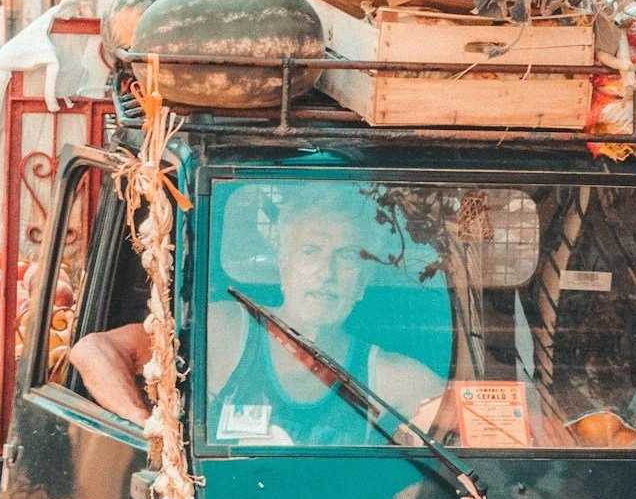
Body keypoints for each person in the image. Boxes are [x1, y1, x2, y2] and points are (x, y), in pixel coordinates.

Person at [69, 187, 437, 438]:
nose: (327, 274)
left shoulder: (391, 377)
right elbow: (94, 351)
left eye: (346, 257)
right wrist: (147, 426)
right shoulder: (228, 332)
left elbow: (471, 421)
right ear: (283, 265)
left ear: (364, 280)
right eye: (311, 252)